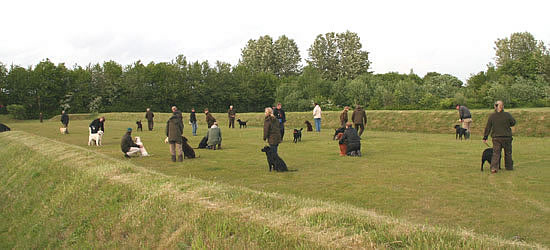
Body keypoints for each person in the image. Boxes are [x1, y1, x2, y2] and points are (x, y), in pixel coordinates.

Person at [483, 100, 516, 173]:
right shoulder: (507, 115)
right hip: (507, 137)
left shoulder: (492, 116)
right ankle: (509, 167)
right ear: (503, 106)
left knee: (496, 153)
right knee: (508, 153)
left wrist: (485, 137)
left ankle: (494, 168)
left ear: (495, 106)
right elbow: (513, 123)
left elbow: (488, 127)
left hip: (496, 138)